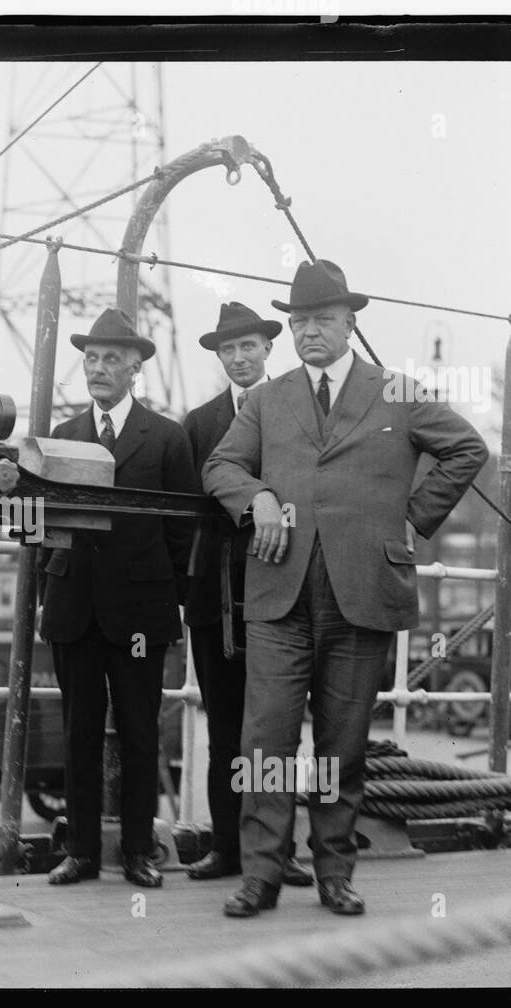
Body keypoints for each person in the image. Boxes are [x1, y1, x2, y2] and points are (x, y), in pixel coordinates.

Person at [204, 260, 489, 917]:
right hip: (279, 595)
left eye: (323, 321)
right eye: (299, 321)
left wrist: (412, 518)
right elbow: (220, 464)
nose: (309, 332)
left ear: (350, 325)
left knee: (343, 742)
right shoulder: (269, 399)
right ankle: (263, 875)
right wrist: (261, 500)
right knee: (265, 740)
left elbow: (465, 449)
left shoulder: (395, 391)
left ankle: (335, 871)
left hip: (362, 591)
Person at [40, 307, 198, 889]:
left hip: (139, 614)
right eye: (91, 359)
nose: (99, 368)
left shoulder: (167, 438)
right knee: (78, 733)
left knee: (138, 732)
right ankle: (80, 851)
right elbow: (46, 524)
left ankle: (138, 850)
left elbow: (183, 531)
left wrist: (169, 602)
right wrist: (47, 592)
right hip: (74, 609)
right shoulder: (63, 437)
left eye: (111, 359)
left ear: (135, 368)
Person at [181, 302, 313, 887]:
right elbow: (186, 513)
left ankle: (278, 853)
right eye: (227, 350)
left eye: (248, 347)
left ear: (268, 350)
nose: (238, 358)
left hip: (281, 589)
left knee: (276, 728)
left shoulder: (298, 408)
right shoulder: (197, 422)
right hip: (215, 596)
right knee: (224, 726)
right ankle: (227, 847)